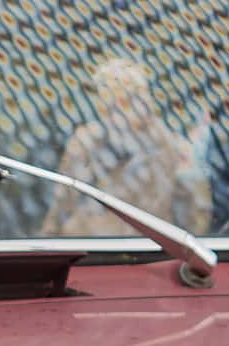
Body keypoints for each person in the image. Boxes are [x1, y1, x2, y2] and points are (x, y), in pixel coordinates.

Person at [41, 58, 213, 238]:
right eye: (107, 102)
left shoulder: (173, 151)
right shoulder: (85, 143)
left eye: (126, 101)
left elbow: (195, 226)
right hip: (88, 253)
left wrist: (191, 174)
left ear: (146, 101)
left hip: (148, 255)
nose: (115, 111)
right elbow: (59, 212)